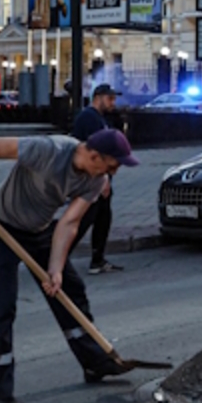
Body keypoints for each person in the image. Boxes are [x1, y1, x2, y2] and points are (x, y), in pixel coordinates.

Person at [0, 128, 139, 403]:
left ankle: (95, 362)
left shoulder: (96, 179)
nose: (114, 172)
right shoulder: (48, 150)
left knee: (70, 290)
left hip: (39, 231)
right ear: (94, 156)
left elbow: (69, 223)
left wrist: (55, 269)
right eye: (112, 165)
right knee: (2, 306)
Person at [70, 84, 124, 274]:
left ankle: (97, 259)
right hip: (91, 178)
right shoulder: (89, 118)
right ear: (98, 97)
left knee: (102, 217)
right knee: (84, 218)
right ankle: (58, 255)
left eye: (114, 99)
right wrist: (104, 178)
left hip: (97, 176)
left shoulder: (100, 118)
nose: (113, 103)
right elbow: (95, 150)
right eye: (110, 99)